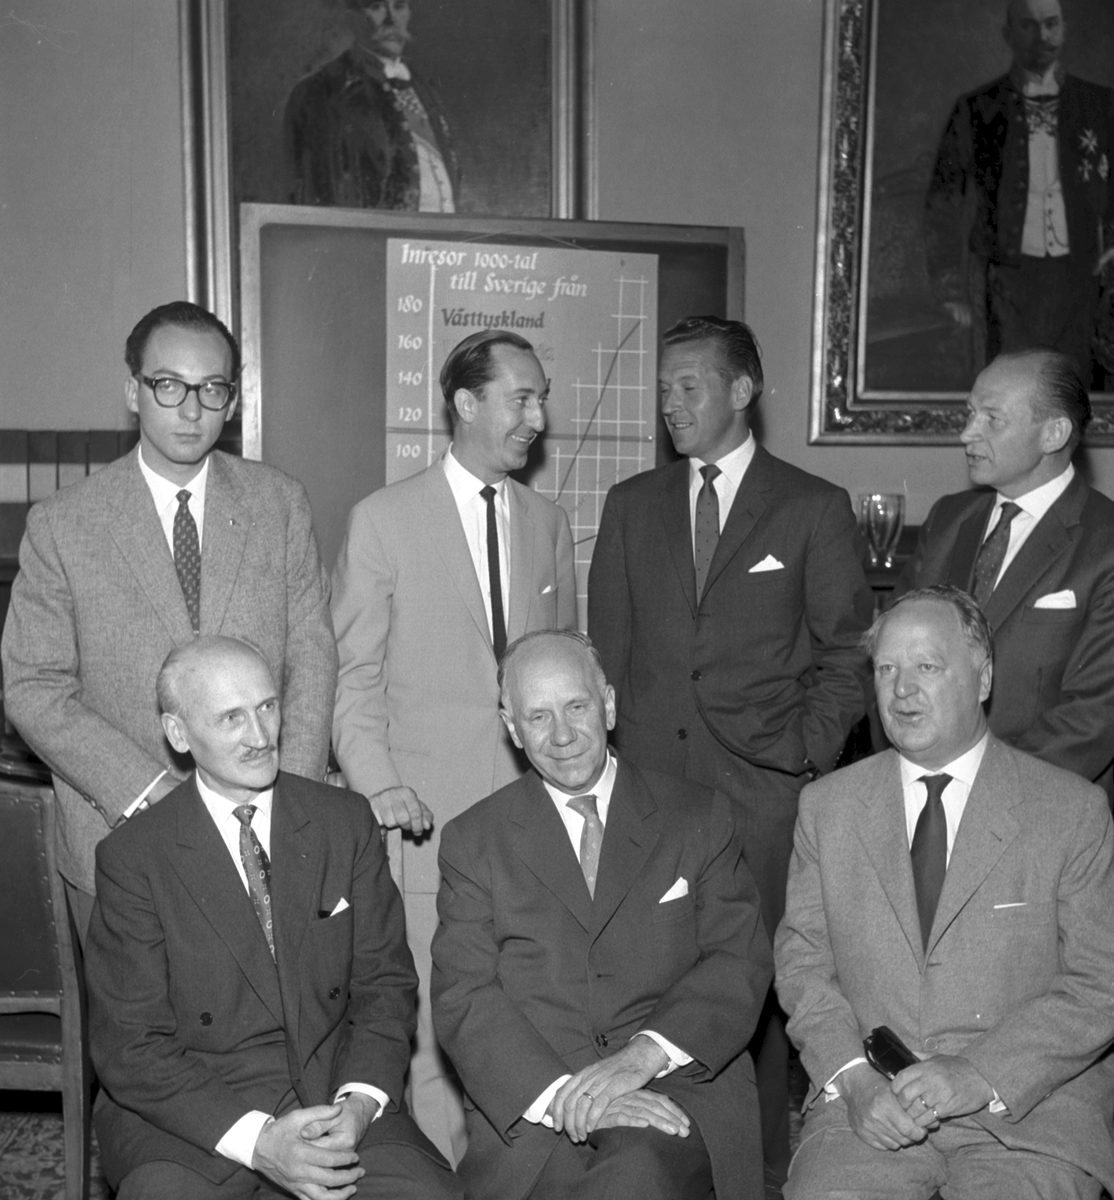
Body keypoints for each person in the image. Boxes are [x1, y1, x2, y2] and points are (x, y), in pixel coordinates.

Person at [587, 314, 873, 1185]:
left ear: (742, 390)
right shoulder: (631, 505)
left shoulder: (811, 506)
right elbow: (608, 657)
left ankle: (764, 1175)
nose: (671, 404)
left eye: (690, 386)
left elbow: (848, 653)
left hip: (763, 799)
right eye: (663, 388)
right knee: (651, 982)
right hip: (650, 797)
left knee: (763, 995)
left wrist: (802, 754)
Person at [1, 301, 336, 945]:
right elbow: (34, 687)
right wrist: (150, 790)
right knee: (135, 1013)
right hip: (122, 839)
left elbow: (313, 660)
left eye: (211, 389)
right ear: (134, 392)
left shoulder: (279, 504)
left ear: (232, 401)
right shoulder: (64, 523)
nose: (190, 410)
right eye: (169, 386)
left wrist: (284, 799)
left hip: (263, 835)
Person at [84, 636, 463, 1199]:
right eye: (232, 718)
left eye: (267, 707)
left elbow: (385, 988)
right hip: (195, 1122)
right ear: (178, 734)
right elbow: (132, 1047)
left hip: (335, 1099)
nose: (261, 735)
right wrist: (258, 1141)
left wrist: (357, 1105)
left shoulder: (344, 822)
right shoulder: (134, 858)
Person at [775, 586, 1114, 1199]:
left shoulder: (1070, 811)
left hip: (1026, 1116)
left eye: (927, 667)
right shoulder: (828, 808)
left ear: (983, 679)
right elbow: (803, 967)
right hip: (869, 1112)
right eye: (886, 669)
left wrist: (981, 1073)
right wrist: (854, 1079)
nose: (902, 689)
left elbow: (1100, 984)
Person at [331, 327, 576, 1161]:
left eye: (541, 399)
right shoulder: (383, 520)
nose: (538, 418)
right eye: (522, 398)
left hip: (533, 825)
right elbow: (353, 679)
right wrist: (379, 787)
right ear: (466, 403)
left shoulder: (548, 523)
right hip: (424, 826)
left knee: (533, 1008)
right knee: (438, 1023)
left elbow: (561, 674)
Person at [431, 630, 773, 1200]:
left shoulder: (698, 816)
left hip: (675, 1088)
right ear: (512, 728)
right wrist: (570, 1097)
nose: (562, 735)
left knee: (634, 1174)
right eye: (538, 717)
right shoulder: (474, 842)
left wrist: (640, 1059)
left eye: (577, 707)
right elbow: (463, 995)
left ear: (609, 706)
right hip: (539, 1105)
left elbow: (738, 961)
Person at [895, 348, 1114, 795]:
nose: (967, 433)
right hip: (920, 793)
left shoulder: (1104, 541)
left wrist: (975, 791)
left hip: (1040, 803)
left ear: (1053, 434)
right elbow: (890, 659)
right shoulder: (948, 519)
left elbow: (1094, 715)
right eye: (970, 413)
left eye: (992, 418)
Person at [925, 0, 1114, 381]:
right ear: (1008, 35)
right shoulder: (977, 108)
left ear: (1064, 30)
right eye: (1028, 25)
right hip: (1007, 288)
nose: (1042, 36)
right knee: (1011, 389)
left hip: (1082, 282)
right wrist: (950, 288)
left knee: (1076, 392)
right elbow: (943, 200)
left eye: (1051, 24)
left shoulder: (1100, 105)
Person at [284, 0, 458, 211]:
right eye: (377, 7)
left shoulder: (426, 89)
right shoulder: (323, 91)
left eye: (399, 6)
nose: (391, 20)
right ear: (352, 18)